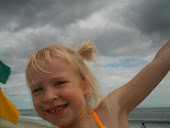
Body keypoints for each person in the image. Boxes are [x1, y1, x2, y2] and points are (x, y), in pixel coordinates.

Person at [25, 40, 170, 128]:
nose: (48, 97)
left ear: (85, 86)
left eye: (59, 83)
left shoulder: (110, 112)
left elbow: (162, 60)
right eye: (37, 89)